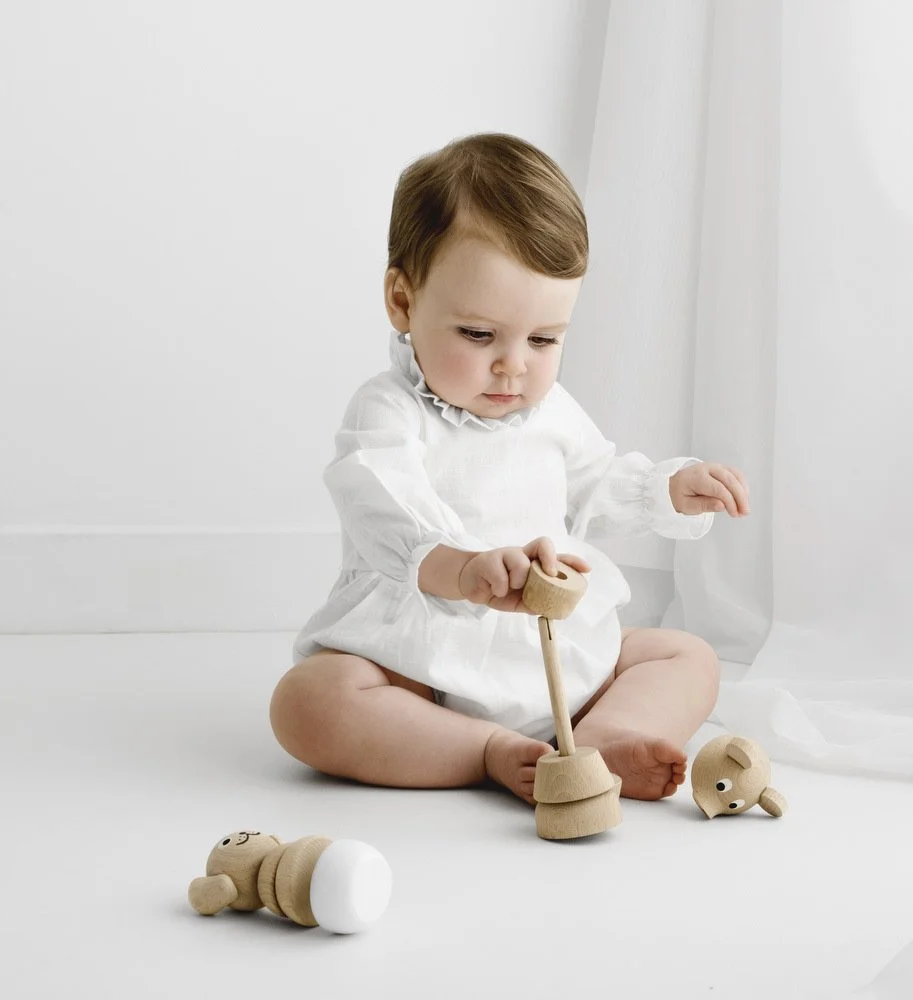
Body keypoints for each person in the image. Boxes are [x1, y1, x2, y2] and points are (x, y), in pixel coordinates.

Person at [269, 132, 751, 805]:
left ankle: (609, 734)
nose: (514, 365)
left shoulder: (551, 410)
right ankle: (486, 752)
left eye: (544, 339)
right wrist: (463, 569)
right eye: (478, 334)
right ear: (404, 303)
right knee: (310, 702)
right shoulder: (389, 411)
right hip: (425, 665)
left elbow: (594, 482)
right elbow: (383, 504)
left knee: (687, 656)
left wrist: (666, 490)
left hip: (556, 650)